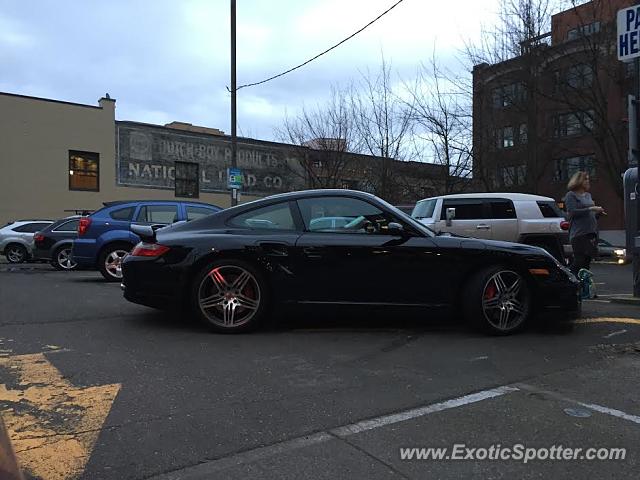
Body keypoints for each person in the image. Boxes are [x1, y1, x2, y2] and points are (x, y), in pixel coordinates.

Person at [564, 171, 605, 275]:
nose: (588, 181)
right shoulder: (571, 195)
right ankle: (569, 277)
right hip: (579, 234)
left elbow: (590, 215)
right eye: (585, 179)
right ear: (578, 181)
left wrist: (598, 213)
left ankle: (584, 286)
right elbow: (572, 212)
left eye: (588, 179)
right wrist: (591, 208)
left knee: (586, 262)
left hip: (591, 232)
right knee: (579, 261)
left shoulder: (588, 195)